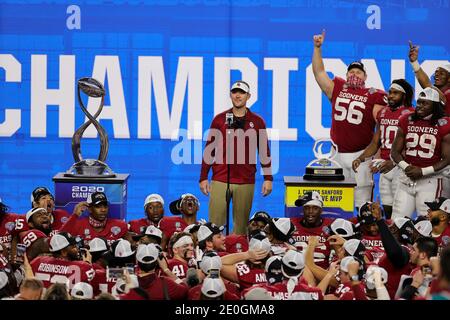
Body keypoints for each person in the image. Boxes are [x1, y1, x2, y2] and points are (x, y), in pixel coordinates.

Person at [312, 30, 387, 210]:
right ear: (346, 75)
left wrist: (377, 151)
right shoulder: (337, 88)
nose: (355, 74)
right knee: (335, 200)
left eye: (359, 72)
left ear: (365, 77)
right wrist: (317, 48)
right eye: (351, 71)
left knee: (362, 202)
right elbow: (319, 73)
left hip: (361, 154)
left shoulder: (373, 95)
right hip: (336, 152)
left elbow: (385, 121)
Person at [199, 80, 273, 235]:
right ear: (230, 95)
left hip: (245, 180)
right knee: (215, 227)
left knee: (240, 228)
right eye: (234, 92)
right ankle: (216, 258)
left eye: (242, 93)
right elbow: (209, 149)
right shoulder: (220, 119)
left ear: (248, 96)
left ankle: (237, 256)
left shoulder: (257, 121)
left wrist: (268, 178)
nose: (238, 95)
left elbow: (264, 150)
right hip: (221, 178)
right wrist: (203, 177)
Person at [352, 80, 415, 218]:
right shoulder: (382, 112)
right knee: (387, 208)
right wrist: (361, 158)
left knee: (400, 212)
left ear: (404, 96)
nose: (391, 96)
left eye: (395, 93)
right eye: (390, 92)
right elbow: (376, 143)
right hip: (385, 167)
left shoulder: (412, 114)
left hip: (401, 167)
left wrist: (393, 162)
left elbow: (411, 146)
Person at [391, 87, 450, 219]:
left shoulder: (444, 124)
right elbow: (394, 151)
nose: (420, 106)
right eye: (419, 102)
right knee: (397, 220)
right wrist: (407, 167)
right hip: (408, 176)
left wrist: (423, 171)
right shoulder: (406, 119)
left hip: (432, 179)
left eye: (425, 103)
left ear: (434, 106)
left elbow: (447, 159)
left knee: (427, 222)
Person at [30, 232, 95, 289]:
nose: (77, 249)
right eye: (73, 247)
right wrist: (88, 262)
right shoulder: (83, 267)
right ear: (64, 252)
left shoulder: (38, 261)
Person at [59, 192, 128, 246]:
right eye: (98, 206)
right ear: (90, 209)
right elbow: (58, 239)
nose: (103, 210)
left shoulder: (120, 226)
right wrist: (75, 215)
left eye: (105, 206)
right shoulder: (78, 225)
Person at [290, 191, 333, 269]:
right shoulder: (292, 224)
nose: (310, 211)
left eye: (315, 208)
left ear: (321, 210)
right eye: (307, 208)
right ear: (303, 210)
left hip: (323, 273)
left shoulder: (331, 226)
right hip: (298, 273)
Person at [408, 41, 450, 115]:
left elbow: (428, 85)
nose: (437, 75)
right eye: (436, 73)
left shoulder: (448, 94)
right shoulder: (432, 93)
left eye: (441, 73)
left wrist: (414, 63)